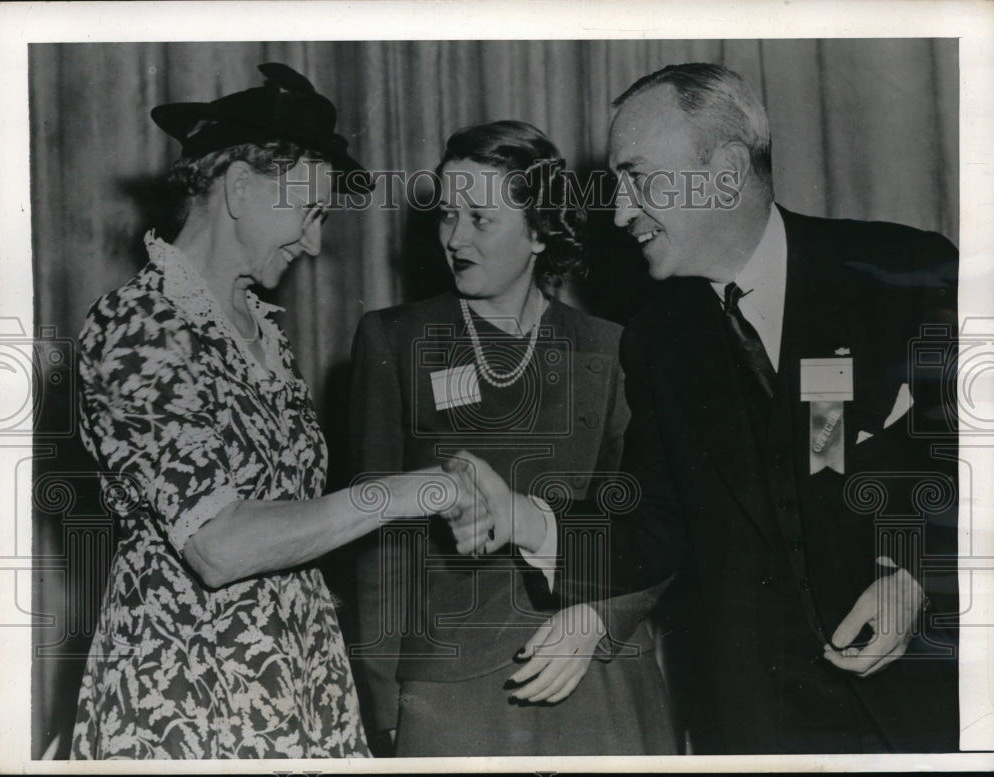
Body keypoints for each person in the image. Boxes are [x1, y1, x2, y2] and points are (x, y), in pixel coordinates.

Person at [458, 63, 959, 754]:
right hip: (761, 728)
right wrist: (522, 517)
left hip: (929, 712)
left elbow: (969, 459)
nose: (620, 211)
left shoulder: (906, 272)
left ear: (725, 172)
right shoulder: (661, 341)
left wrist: (912, 573)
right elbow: (650, 524)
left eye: (638, 179)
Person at [70, 63, 482, 759]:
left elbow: (293, 517)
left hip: (298, 676)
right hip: (189, 691)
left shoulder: (263, 329)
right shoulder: (137, 326)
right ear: (238, 189)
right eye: (309, 212)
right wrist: (403, 491)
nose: (315, 243)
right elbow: (221, 545)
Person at [349, 120, 677, 756]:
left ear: (537, 231)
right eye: (447, 215)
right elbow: (376, 540)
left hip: (595, 665)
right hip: (451, 684)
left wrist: (603, 622)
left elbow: (655, 519)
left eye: (480, 218)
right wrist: (383, 700)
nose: (453, 238)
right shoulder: (394, 339)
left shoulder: (609, 349)